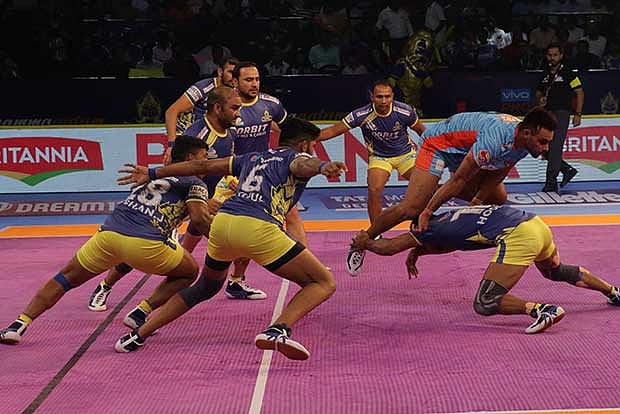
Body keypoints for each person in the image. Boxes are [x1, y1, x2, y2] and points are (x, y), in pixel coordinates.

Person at [113, 117, 347, 360]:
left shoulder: (252, 157)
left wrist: (152, 172)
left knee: (206, 286)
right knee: (323, 282)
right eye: (313, 146)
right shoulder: (297, 157)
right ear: (305, 145)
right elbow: (303, 165)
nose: (313, 150)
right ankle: (278, 330)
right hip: (258, 227)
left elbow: (200, 166)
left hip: (223, 224)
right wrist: (322, 166)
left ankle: (138, 334)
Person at [0, 136, 213, 344]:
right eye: (204, 157)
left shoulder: (153, 174)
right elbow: (199, 219)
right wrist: (221, 245)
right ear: (190, 158)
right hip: (146, 245)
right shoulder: (195, 183)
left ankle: (18, 324)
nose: (207, 163)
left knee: (65, 278)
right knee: (189, 272)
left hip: (109, 235)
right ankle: (141, 312)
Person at [347, 107, 557, 275]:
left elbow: (500, 171)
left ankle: (431, 191)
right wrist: (427, 211)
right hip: (438, 144)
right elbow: (459, 179)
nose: (546, 148)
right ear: (527, 133)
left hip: (465, 150)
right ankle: (362, 240)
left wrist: (478, 200)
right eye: (543, 142)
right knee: (412, 208)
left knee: (498, 197)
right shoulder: (495, 140)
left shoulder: (523, 144)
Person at [88, 87, 242, 315]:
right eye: (234, 108)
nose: (238, 113)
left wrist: (228, 181)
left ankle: (231, 281)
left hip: (202, 199)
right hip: (178, 202)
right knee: (139, 249)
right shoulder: (197, 134)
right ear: (218, 108)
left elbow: (223, 164)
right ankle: (105, 286)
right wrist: (197, 200)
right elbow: (173, 169)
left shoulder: (230, 133)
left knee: (192, 252)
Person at [353, 204, 620, 333]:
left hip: (518, 235)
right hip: (536, 224)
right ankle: (613, 291)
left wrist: (365, 242)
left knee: (485, 302)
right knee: (555, 271)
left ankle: (543, 310)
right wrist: (419, 251)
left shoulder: (427, 228)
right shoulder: (450, 216)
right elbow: (451, 243)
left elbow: (389, 247)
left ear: (417, 223)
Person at [222, 61, 308, 299]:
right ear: (235, 81)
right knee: (207, 227)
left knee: (291, 214)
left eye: (257, 79)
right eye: (248, 80)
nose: (254, 84)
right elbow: (218, 146)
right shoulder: (228, 108)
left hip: (261, 173)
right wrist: (228, 177)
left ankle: (305, 262)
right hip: (231, 174)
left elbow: (290, 131)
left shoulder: (271, 104)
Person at [319, 80, 426, 224]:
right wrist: (309, 138)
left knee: (424, 186)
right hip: (379, 157)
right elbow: (333, 130)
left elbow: (422, 131)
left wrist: (437, 150)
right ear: (372, 97)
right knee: (374, 190)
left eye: (387, 96)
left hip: (406, 155)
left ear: (392, 96)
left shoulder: (405, 111)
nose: (384, 101)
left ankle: (422, 223)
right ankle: (375, 231)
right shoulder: (360, 114)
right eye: (379, 97)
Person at [163, 57, 239, 165]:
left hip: (217, 137)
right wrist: (172, 146)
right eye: (230, 72)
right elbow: (171, 111)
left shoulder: (235, 91)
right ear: (220, 72)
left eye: (236, 74)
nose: (233, 77)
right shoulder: (203, 87)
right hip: (193, 140)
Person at [535, 43, 583, 193]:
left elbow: (580, 92)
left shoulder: (568, 73)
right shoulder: (545, 73)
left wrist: (578, 114)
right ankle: (566, 169)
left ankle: (551, 182)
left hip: (561, 113)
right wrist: (540, 98)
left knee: (555, 146)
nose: (552, 58)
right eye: (549, 55)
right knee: (540, 146)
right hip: (546, 114)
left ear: (561, 56)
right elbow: (538, 91)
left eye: (555, 55)